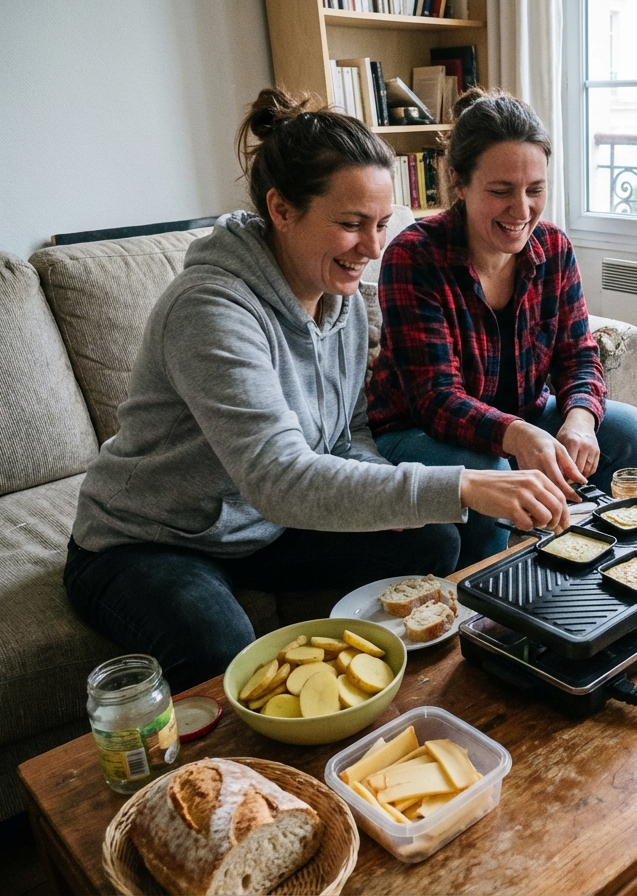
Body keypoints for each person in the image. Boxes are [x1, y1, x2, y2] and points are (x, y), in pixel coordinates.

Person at [63, 88, 570, 692]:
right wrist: (463, 483)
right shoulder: (210, 309)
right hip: (151, 541)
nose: (375, 248)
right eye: (352, 225)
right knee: (226, 656)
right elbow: (280, 478)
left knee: (433, 539)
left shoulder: (343, 301)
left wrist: (387, 493)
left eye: (381, 224)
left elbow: (347, 432)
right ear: (281, 209)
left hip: (264, 529)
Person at [366, 88, 637, 567]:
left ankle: (598, 569)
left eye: (534, 190)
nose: (521, 210)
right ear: (458, 183)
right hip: (415, 431)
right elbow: (436, 399)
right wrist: (520, 435)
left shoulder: (554, 247)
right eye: (500, 191)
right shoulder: (413, 256)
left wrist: (580, 418)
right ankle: (488, 601)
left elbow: (577, 354)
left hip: (518, 414)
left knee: (631, 434)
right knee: (490, 468)